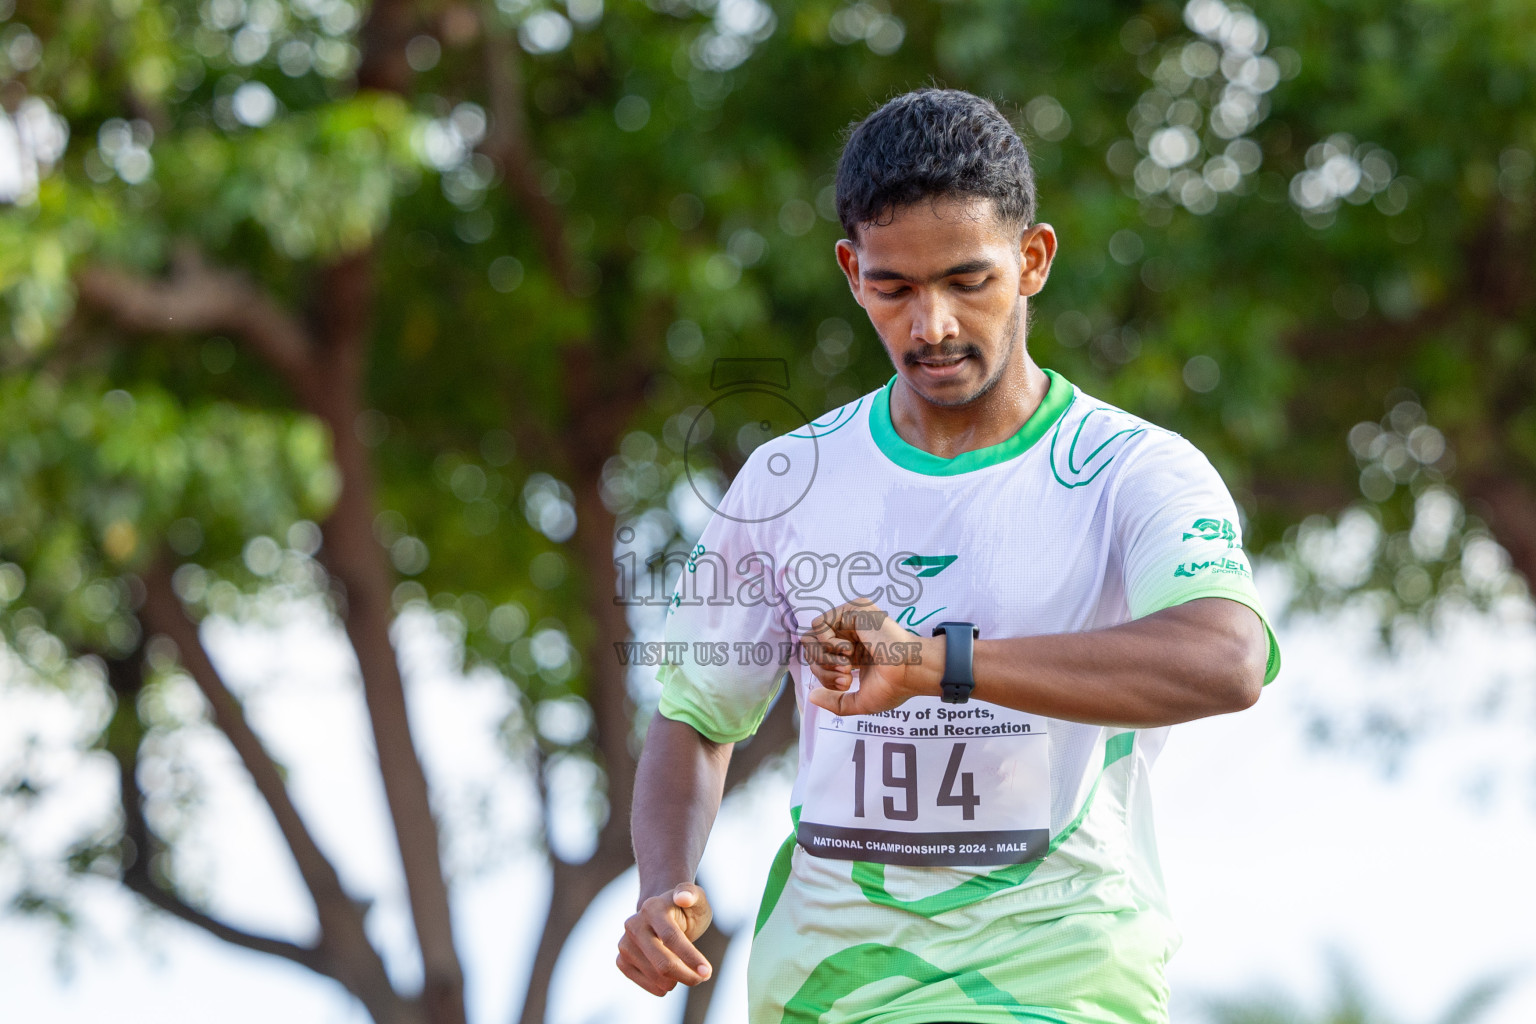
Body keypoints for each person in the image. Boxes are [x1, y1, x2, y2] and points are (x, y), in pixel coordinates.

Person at [617, 88, 1280, 1024]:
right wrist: (663, 884)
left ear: (1033, 259)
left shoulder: (1132, 471)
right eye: (894, 288)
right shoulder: (787, 478)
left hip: (1058, 980)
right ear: (853, 272)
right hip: (824, 989)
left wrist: (934, 664)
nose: (931, 326)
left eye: (969, 281)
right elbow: (692, 719)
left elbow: (1227, 660)